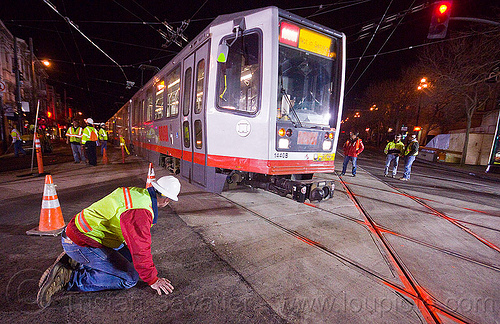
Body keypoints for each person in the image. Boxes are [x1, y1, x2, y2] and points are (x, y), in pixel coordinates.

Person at [37, 176, 181, 309]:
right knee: (130, 278)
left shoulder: (138, 194)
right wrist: (152, 279)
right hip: (81, 242)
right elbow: (140, 248)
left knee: (134, 264)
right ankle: (69, 278)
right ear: (167, 199)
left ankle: (79, 259)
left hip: (84, 235)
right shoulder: (140, 211)